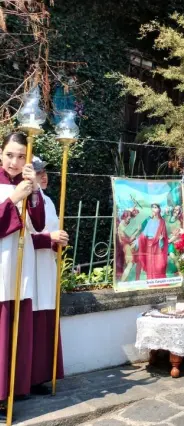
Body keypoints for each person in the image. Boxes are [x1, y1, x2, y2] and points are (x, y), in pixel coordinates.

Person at [0, 132, 46, 416]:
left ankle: (16, 387)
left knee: (18, 328)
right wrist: (12, 199)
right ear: (0, 154)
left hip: (21, 263)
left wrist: (34, 190)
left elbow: (38, 225)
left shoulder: (28, 184)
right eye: (10, 155)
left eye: (21, 156)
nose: (15, 162)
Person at [29, 157, 69, 394]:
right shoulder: (22, 198)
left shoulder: (50, 201)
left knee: (44, 320)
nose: (43, 176)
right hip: (27, 267)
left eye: (44, 172)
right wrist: (48, 239)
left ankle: (39, 376)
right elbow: (17, 239)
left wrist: (58, 241)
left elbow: (52, 232)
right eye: (38, 172)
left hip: (45, 266)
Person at [135, 203, 169, 280]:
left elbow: (164, 235)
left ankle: (160, 281)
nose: (153, 209)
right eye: (152, 208)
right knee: (150, 263)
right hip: (149, 245)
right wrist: (138, 236)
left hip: (158, 245)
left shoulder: (162, 222)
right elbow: (144, 234)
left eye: (155, 207)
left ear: (159, 209)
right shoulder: (149, 221)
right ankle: (151, 281)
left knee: (159, 264)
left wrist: (161, 239)